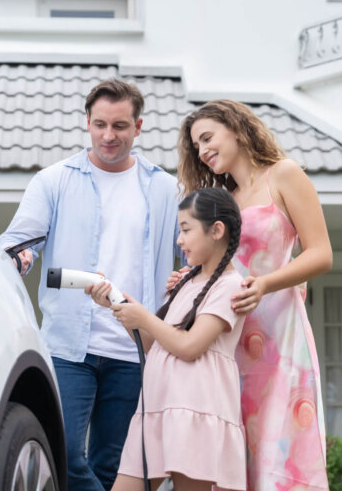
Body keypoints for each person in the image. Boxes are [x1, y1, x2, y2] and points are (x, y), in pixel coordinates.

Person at [0, 78, 180, 491]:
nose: (108, 136)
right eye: (100, 125)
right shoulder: (53, 180)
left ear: (139, 126)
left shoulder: (166, 188)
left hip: (135, 349)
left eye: (119, 126)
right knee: (64, 453)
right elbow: (18, 242)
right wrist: (18, 258)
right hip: (68, 349)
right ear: (87, 122)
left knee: (115, 465)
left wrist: (187, 275)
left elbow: (195, 253)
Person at [174, 99, 334, 491]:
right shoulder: (222, 199)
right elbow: (225, 266)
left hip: (278, 336)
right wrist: (191, 277)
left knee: (280, 446)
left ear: (237, 127)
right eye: (196, 146)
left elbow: (321, 253)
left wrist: (265, 284)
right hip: (227, 339)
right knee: (233, 449)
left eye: (208, 137)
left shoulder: (284, 175)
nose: (203, 150)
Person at [90, 188, 247, 491]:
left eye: (186, 230)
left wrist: (145, 318)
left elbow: (189, 346)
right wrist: (117, 304)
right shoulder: (187, 282)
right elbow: (154, 344)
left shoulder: (230, 286)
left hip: (196, 412)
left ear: (216, 230)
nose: (179, 240)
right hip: (158, 410)